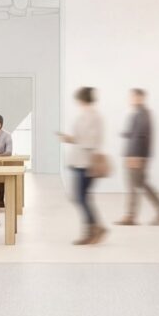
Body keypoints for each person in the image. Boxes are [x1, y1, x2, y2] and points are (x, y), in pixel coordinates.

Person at [58, 87, 106, 245]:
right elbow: (83, 138)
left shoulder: (94, 116)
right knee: (82, 197)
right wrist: (71, 138)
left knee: (81, 197)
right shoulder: (85, 115)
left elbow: (91, 141)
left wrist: (73, 139)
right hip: (79, 161)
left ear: (82, 99)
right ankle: (96, 228)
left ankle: (93, 230)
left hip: (86, 163)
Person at [118, 88, 159, 226]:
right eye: (131, 97)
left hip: (136, 155)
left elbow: (142, 136)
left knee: (135, 185)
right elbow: (135, 134)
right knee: (140, 184)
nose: (131, 99)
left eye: (133, 97)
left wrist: (135, 156)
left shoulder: (143, 114)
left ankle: (131, 216)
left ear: (140, 98)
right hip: (135, 154)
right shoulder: (139, 113)